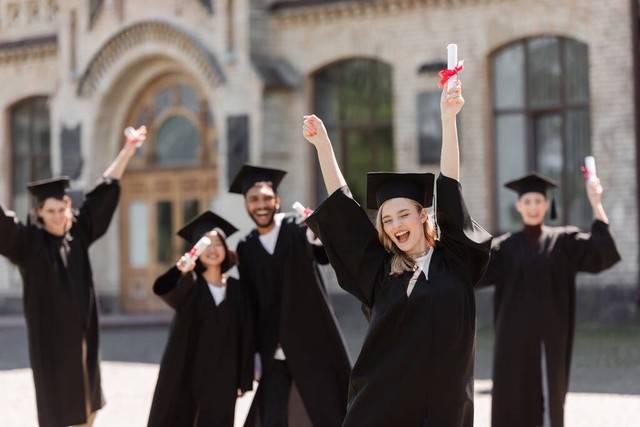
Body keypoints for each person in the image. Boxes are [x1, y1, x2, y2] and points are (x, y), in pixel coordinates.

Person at [303, 79, 491, 426]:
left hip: (444, 407)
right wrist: (324, 147)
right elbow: (344, 211)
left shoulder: (455, 263)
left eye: (403, 214)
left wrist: (448, 119)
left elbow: (450, 184)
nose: (395, 224)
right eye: (387, 219)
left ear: (423, 215)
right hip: (384, 406)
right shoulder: (381, 272)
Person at [0, 126, 147, 427]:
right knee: (59, 412)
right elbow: (2, 224)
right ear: (39, 213)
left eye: (62, 209)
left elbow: (103, 190)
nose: (57, 216)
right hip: (51, 347)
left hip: (84, 342)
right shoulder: (29, 243)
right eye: (50, 211)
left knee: (86, 407)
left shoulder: (78, 234)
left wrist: (128, 151)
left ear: (69, 207)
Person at [476, 172, 621, 427]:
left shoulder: (563, 242)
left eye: (537, 202)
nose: (533, 207)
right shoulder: (505, 248)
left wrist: (596, 202)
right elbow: (473, 270)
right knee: (512, 398)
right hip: (513, 345)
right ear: (519, 206)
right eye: (527, 202)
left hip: (550, 342)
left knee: (548, 398)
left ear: (546, 204)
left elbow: (602, 251)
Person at [230, 165, 351, 427]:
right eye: (254, 199)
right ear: (246, 205)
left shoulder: (297, 229)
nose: (261, 205)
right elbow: (250, 303)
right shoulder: (246, 247)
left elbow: (322, 256)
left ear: (277, 200)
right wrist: (252, 354)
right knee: (272, 417)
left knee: (327, 411)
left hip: (311, 343)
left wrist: (317, 236)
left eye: (266, 198)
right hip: (272, 348)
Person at [148, 211, 254, 427]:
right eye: (206, 244)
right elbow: (164, 291)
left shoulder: (237, 289)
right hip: (187, 373)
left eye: (218, 243)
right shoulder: (190, 285)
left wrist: (244, 376)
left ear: (226, 248)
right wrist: (181, 272)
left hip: (224, 376)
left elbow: (245, 334)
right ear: (196, 251)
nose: (213, 250)